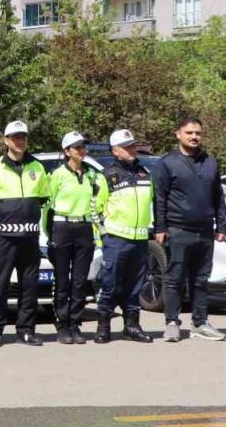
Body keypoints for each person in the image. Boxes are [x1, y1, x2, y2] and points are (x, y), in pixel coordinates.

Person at [153, 118, 226, 342]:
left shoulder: (210, 162)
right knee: (175, 279)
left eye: (198, 133)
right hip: (178, 230)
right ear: (178, 134)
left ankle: (200, 322)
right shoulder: (167, 163)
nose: (194, 137)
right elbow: (160, 198)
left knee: (201, 279)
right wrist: (160, 227)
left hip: (205, 231)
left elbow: (218, 196)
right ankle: (172, 323)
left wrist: (221, 224)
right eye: (189, 133)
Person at [0, 120, 49, 347]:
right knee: (0, 284)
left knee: (28, 286)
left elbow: (43, 199)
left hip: (30, 237)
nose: (19, 141)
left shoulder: (38, 168)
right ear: (6, 140)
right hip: (3, 238)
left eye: (23, 137)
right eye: (14, 137)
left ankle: (26, 329)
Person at [45, 131, 106, 344]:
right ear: (67, 151)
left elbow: (100, 201)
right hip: (62, 227)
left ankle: (75, 323)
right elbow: (47, 207)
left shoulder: (92, 174)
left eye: (83, 147)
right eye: (77, 147)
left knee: (79, 281)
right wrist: (49, 234)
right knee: (62, 280)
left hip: (84, 227)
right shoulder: (57, 175)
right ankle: (62, 324)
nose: (82, 151)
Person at [94, 129, 154, 344]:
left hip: (139, 239)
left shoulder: (145, 172)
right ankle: (103, 326)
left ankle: (132, 325)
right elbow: (95, 209)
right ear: (115, 150)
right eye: (126, 146)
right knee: (110, 284)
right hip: (116, 239)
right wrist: (104, 236)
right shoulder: (106, 175)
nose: (131, 150)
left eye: (132, 145)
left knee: (135, 285)